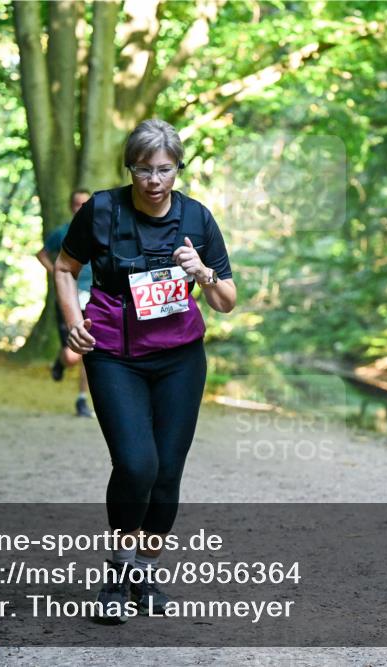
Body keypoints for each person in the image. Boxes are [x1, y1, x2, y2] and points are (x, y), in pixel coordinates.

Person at [55, 119, 236, 623]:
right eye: (143, 169)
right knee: (137, 464)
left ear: (178, 168)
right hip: (113, 351)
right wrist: (73, 321)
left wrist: (202, 271)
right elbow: (65, 267)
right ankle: (116, 569)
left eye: (164, 169)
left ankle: (144, 568)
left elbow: (226, 301)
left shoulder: (197, 218)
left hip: (179, 357)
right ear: (129, 169)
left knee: (167, 474)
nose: (154, 180)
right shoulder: (102, 210)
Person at [35, 189, 94, 417]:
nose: (81, 208)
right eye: (77, 204)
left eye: (85, 204)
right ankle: (60, 361)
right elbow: (42, 254)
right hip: (69, 297)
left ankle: (82, 399)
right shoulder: (62, 232)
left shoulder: (102, 231)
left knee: (90, 349)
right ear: (72, 207)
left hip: (95, 297)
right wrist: (57, 274)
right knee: (72, 356)